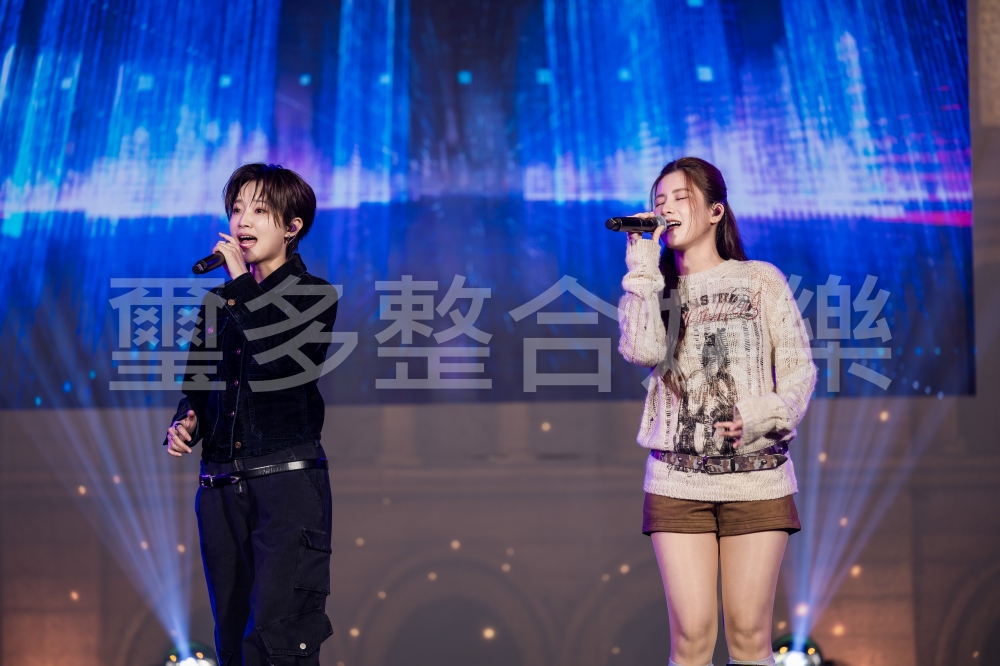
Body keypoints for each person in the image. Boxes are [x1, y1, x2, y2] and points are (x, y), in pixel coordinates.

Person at [617, 157, 817, 666]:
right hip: (677, 481)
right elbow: (640, 350)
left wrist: (763, 415)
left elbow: (799, 370)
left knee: (749, 635)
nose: (666, 208)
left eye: (680, 198)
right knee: (691, 638)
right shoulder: (654, 289)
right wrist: (642, 267)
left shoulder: (760, 280)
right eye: (659, 200)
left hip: (758, 477)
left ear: (715, 211)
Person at [164, 163, 338, 665]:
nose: (242, 221)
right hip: (220, 489)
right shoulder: (217, 304)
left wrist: (240, 281)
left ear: (292, 226)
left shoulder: (314, 296)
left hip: (285, 489)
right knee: (232, 642)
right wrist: (187, 421)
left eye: (259, 210)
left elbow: (282, 360)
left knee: (277, 640)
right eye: (237, 209)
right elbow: (198, 387)